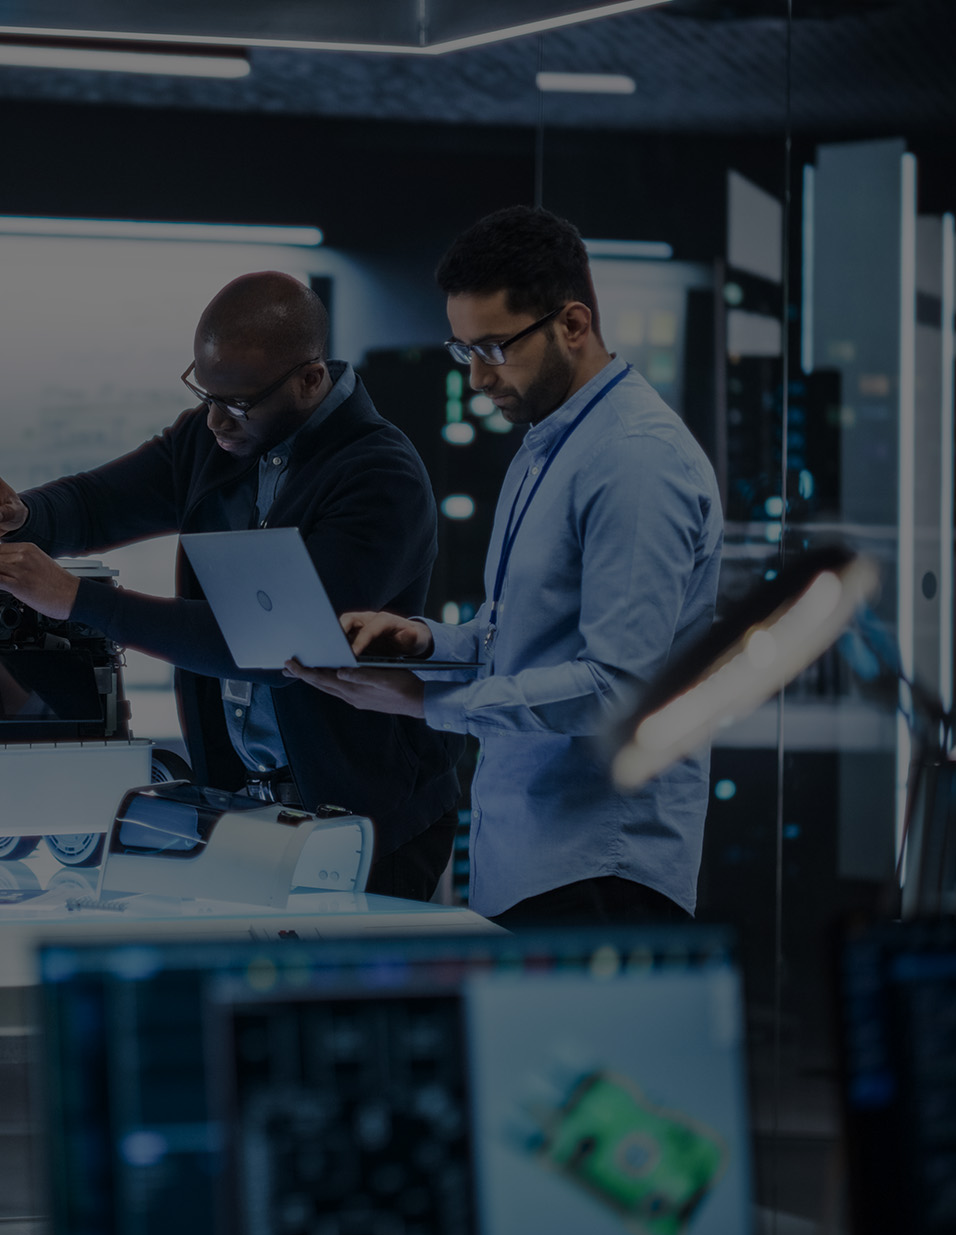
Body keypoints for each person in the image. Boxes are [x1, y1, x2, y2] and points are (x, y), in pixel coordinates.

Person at [0, 272, 460, 899]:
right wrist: (21, 515)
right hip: (249, 812)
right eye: (203, 392)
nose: (216, 419)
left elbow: (277, 652)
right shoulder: (211, 436)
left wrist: (77, 601)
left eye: (239, 403)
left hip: (369, 820)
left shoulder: (381, 476)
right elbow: (99, 503)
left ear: (309, 379)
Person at [284, 207, 723, 926]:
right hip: (531, 859)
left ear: (573, 325)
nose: (478, 379)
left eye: (493, 347)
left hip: (603, 870)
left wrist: (425, 702)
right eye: (464, 351)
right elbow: (518, 633)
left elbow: (619, 688)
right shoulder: (550, 440)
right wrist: (427, 644)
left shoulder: (637, 460)